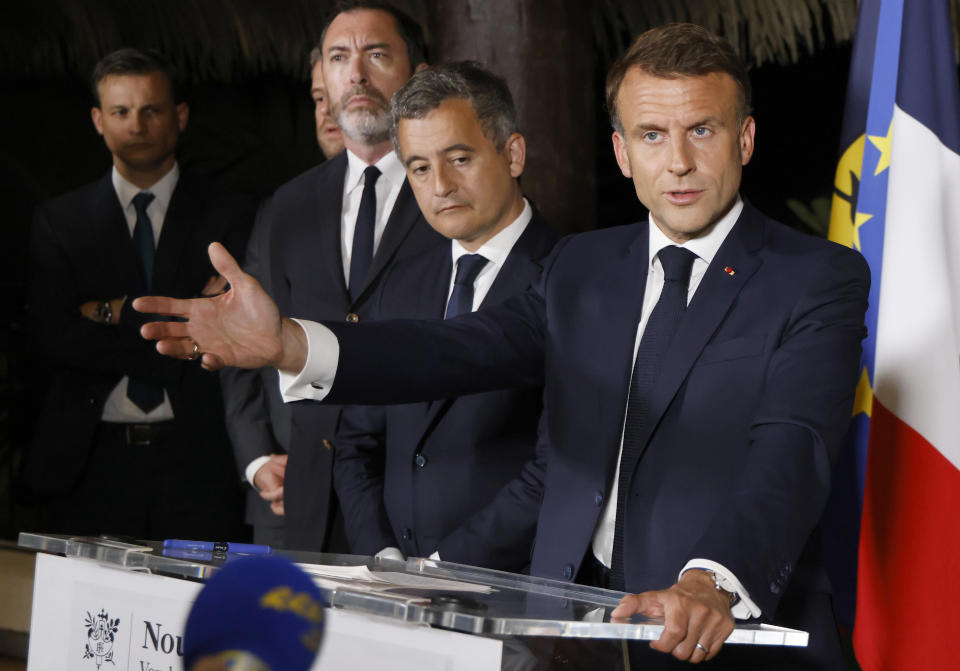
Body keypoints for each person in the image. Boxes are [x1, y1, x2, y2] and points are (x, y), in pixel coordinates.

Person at [136, 24, 869, 669]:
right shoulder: (583, 266)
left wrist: (710, 580)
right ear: (620, 150)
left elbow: (792, 449)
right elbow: (459, 348)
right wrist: (291, 343)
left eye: (701, 131)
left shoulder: (817, 278)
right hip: (567, 632)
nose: (676, 161)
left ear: (743, 138)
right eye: (651, 135)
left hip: (716, 633)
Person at [228, 0, 444, 553]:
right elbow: (265, 340)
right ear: (321, 74)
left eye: (376, 55)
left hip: (418, 502)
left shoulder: (453, 191)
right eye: (339, 57)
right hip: (307, 502)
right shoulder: (291, 203)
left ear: (417, 75)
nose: (357, 74)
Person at [23, 47, 254, 540]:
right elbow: (55, 337)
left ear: (180, 116)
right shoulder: (60, 222)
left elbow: (230, 328)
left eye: (151, 109)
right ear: (97, 121)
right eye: (120, 112)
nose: (137, 125)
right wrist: (183, 324)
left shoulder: (232, 214)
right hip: (88, 463)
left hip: (199, 461)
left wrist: (110, 312)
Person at [334, 62, 557, 568]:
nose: (440, 185)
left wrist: (443, 567)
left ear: (513, 153)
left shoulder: (570, 279)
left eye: (459, 158)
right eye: (418, 167)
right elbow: (356, 444)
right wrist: (382, 556)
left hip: (511, 587)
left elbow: (560, 467)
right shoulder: (399, 285)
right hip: (393, 586)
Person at [220, 42, 346, 548]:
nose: (329, 110)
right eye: (318, 97)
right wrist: (257, 462)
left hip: (391, 502)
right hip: (282, 493)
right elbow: (241, 345)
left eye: (338, 95)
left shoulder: (429, 201)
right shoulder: (281, 209)